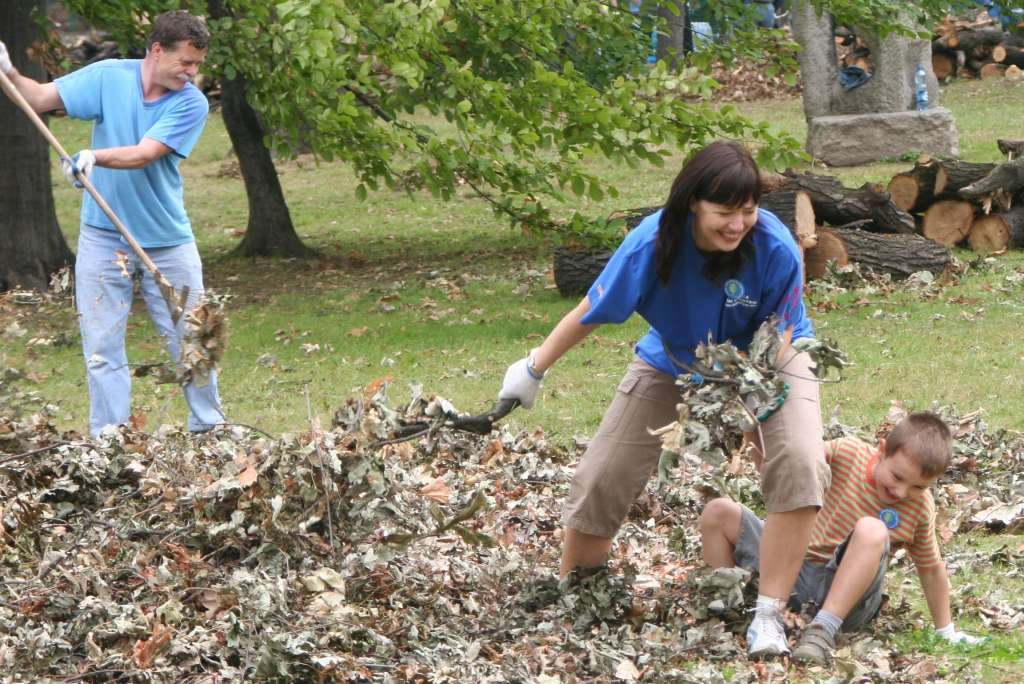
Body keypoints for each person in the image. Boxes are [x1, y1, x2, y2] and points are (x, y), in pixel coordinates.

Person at [498, 140, 829, 658]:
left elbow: (780, 336)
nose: (738, 224)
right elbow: (593, 308)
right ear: (693, 202)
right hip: (673, 357)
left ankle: (768, 618)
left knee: (800, 461)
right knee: (603, 473)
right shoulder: (651, 245)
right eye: (725, 212)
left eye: (748, 210)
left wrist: (751, 414)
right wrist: (533, 369)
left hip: (769, 356)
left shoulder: (777, 248)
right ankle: (577, 594)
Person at [0, 11, 222, 436]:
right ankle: (111, 442)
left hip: (166, 241)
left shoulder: (191, 102)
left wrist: (93, 157)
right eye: (186, 63)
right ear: (157, 51)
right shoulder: (108, 77)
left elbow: (143, 153)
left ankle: (210, 431)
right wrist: (7, 70)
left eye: (198, 64)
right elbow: (38, 98)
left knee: (194, 341)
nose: (194, 74)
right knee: (102, 347)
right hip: (104, 239)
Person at [699, 412, 986, 665]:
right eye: (897, 477)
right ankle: (734, 612)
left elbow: (931, 569)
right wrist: (759, 438)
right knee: (718, 511)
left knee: (872, 529)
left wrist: (946, 632)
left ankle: (821, 632)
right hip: (788, 571)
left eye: (918, 486)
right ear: (882, 450)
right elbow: (797, 467)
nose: (901, 492)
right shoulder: (847, 452)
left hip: (847, 599)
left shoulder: (920, 508)